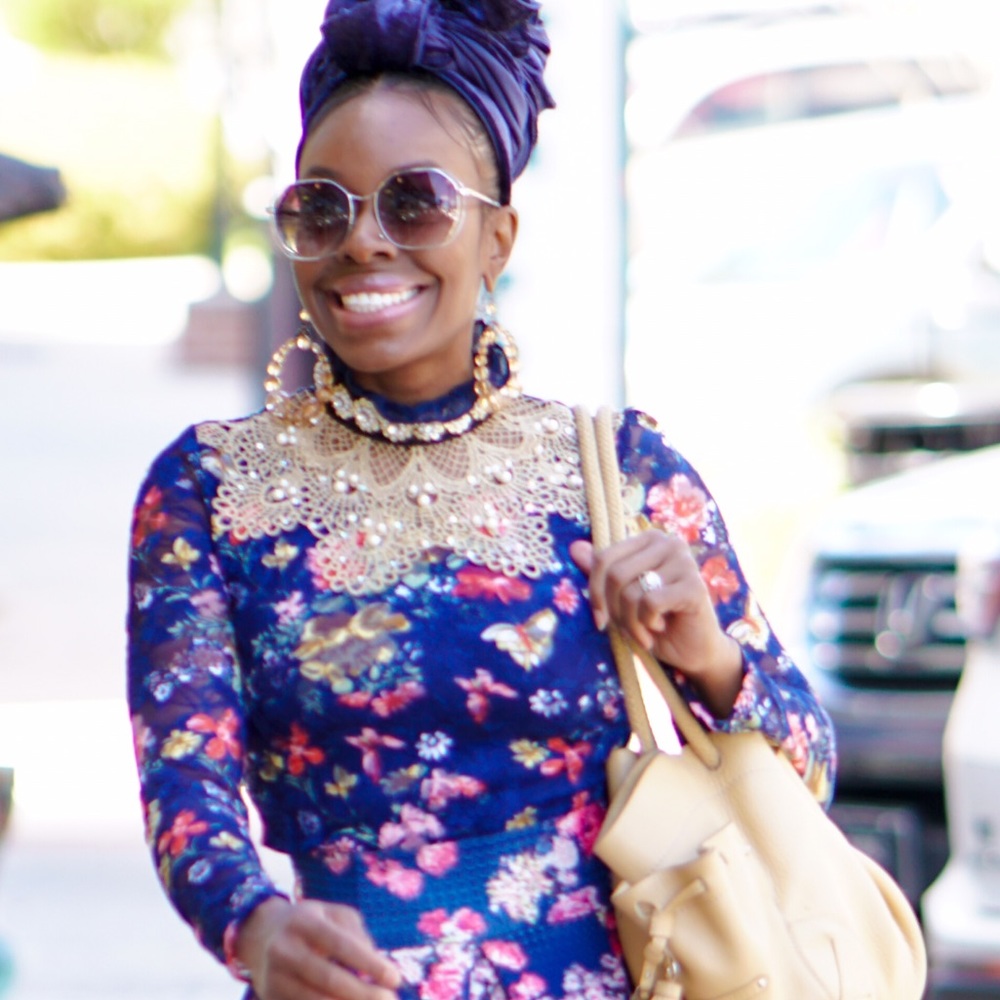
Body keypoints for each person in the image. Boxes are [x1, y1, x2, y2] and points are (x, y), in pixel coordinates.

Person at [126, 2, 836, 999]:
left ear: (497, 237)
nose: (364, 242)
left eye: (413, 203)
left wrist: (706, 654)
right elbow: (184, 784)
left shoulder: (623, 473)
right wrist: (253, 924)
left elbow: (803, 768)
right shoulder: (208, 489)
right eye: (322, 208)